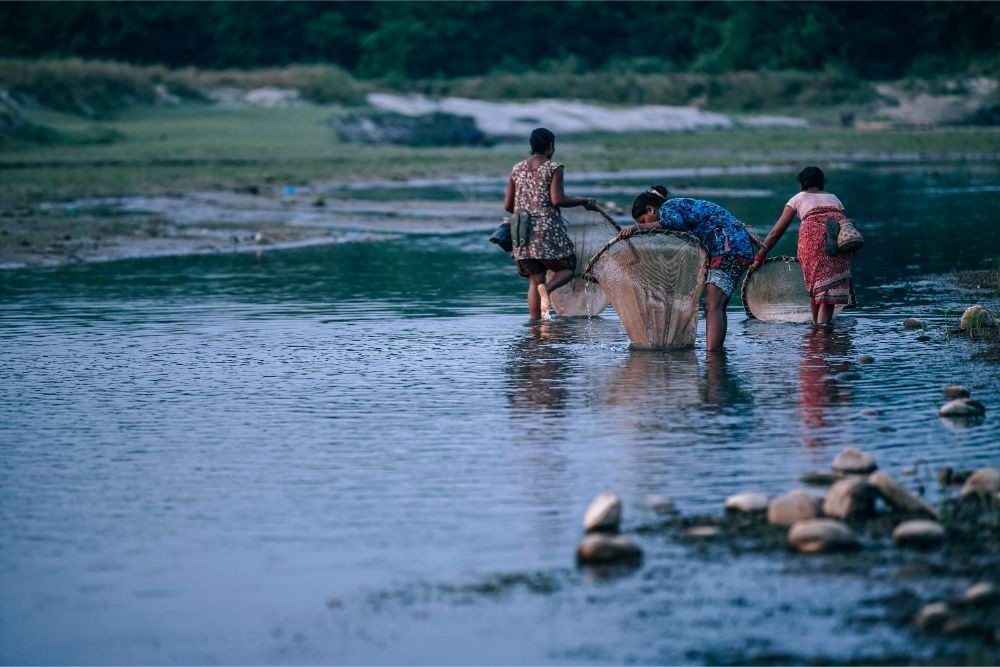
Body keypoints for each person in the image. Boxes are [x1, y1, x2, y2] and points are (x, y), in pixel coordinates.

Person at [617, 186, 754, 351]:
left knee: (712, 304)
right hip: (730, 248)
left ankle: (713, 357)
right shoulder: (676, 207)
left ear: (650, 209)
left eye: (644, 220)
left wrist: (636, 228)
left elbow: (673, 223)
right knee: (715, 305)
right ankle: (716, 355)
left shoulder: (668, 208)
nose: (646, 225)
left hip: (728, 248)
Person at [504, 127, 598, 320]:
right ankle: (546, 289)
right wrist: (583, 201)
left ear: (532, 146)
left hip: (522, 233)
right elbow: (557, 200)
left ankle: (534, 325)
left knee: (534, 280)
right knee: (568, 268)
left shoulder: (517, 168)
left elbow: (508, 205)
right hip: (548, 231)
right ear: (550, 146)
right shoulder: (554, 167)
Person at [750, 166, 852, 325]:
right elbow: (845, 229)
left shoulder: (797, 198)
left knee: (816, 292)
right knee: (828, 297)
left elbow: (775, 233)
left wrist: (759, 256)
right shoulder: (835, 199)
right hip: (837, 248)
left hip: (812, 249)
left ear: (802, 184)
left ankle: (817, 334)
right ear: (822, 183)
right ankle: (821, 333)